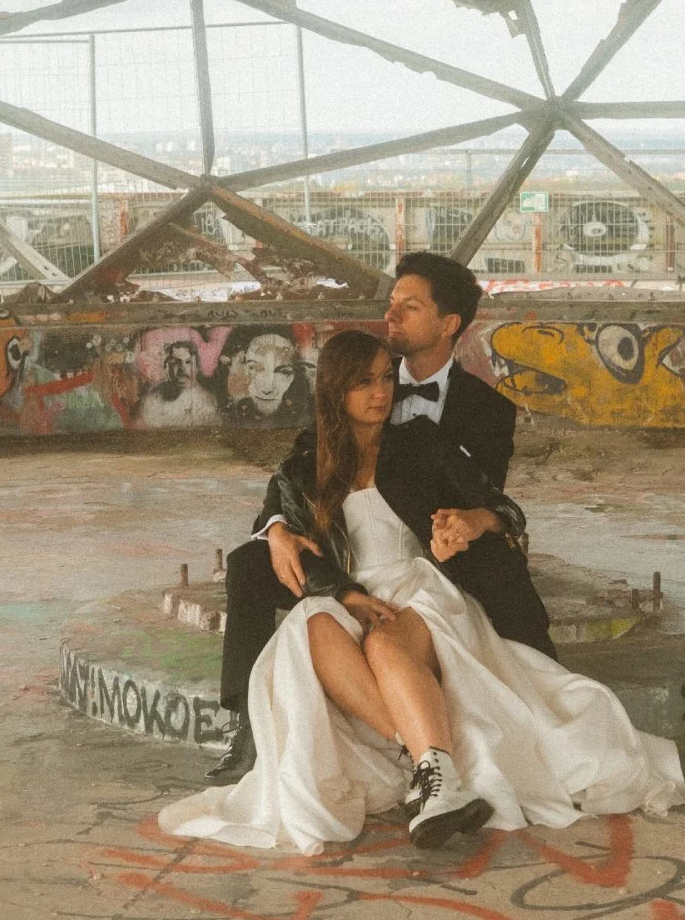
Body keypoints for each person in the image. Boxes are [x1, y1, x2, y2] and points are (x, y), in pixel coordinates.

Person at [158, 330, 685, 854]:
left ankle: (434, 779)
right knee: (311, 626)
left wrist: (471, 523)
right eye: (364, 382)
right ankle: (427, 762)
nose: (381, 392)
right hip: (349, 592)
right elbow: (286, 526)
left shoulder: (421, 444)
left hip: (420, 586)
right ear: (335, 390)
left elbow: (505, 510)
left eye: (386, 378)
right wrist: (319, 572)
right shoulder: (305, 463)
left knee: (385, 644)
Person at [209, 252, 556, 783]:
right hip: (351, 552)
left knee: (496, 567)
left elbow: (486, 495)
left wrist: (466, 527)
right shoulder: (360, 377)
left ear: (448, 324)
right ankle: (247, 726)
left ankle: (534, 693)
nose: (390, 316)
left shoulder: (487, 409)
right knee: (249, 564)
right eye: (390, 304)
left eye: (408, 307)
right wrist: (275, 530)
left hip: (432, 553)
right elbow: (300, 469)